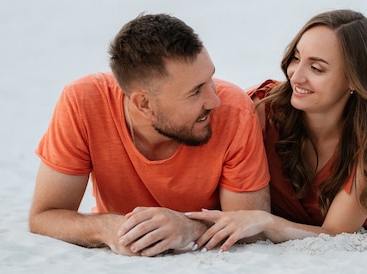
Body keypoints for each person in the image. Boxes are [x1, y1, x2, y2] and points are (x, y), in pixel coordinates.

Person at [186, 9, 367, 251]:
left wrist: (265, 222)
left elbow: (336, 232)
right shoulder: (264, 107)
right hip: (349, 116)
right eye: (296, 58)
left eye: (317, 68)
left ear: (353, 80)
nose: (295, 75)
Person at [28, 13, 270, 257]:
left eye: (210, 80)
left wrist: (189, 227)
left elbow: (251, 227)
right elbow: (45, 216)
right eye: (195, 91)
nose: (214, 101)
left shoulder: (234, 110)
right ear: (143, 104)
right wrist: (108, 227)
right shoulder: (82, 102)